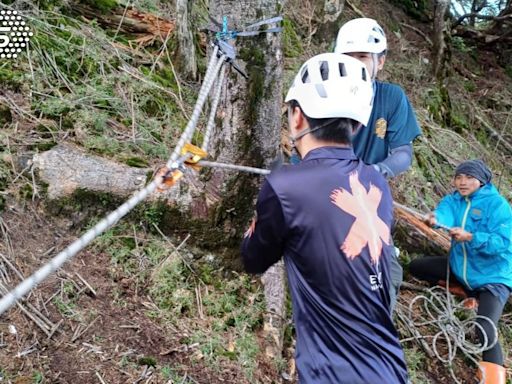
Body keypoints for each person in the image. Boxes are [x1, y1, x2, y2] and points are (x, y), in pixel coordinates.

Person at [241, 53, 408, 383]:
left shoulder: (286, 186)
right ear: (358, 125)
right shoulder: (376, 184)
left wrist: (262, 211)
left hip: (332, 374)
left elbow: (253, 258)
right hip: (390, 368)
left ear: (298, 117)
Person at [334, 18, 422, 310]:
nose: (355, 65)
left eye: (362, 57)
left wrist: (379, 170)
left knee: (387, 273)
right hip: (329, 193)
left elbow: (403, 152)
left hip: (369, 197)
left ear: (380, 61)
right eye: (347, 58)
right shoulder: (326, 92)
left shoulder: (390, 98)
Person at [409, 159, 512, 384]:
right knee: (417, 267)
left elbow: (503, 242)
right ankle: (465, 292)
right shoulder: (455, 200)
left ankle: (494, 378)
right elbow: (445, 213)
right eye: (458, 177)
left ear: (482, 181)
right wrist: (436, 219)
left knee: (484, 326)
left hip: (492, 278)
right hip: (461, 270)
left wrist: (472, 237)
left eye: (468, 177)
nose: (462, 182)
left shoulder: (498, 206)